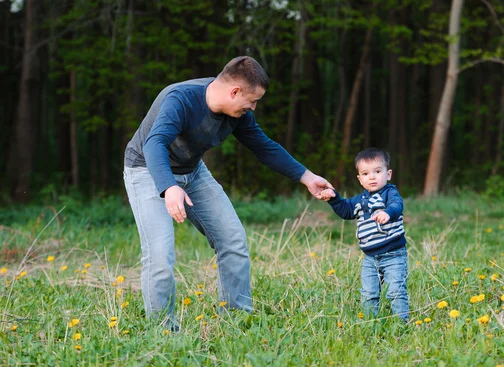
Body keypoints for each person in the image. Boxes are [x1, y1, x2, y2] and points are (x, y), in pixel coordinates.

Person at [123, 56, 332, 330]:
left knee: (233, 241)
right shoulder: (180, 99)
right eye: (252, 101)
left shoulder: (238, 116)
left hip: (192, 171)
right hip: (148, 171)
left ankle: (237, 321)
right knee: (160, 257)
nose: (253, 107)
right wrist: (169, 187)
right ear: (234, 92)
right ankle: (163, 333)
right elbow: (155, 143)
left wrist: (307, 177)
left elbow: (263, 146)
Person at [320, 148, 409, 321]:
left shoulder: (390, 193)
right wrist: (333, 198)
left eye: (377, 171)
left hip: (394, 255)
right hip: (370, 258)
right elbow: (346, 211)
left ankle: (402, 323)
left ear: (388, 174)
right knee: (368, 293)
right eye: (366, 173)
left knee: (395, 291)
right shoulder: (360, 200)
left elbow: (397, 205)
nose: (372, 177)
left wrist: (388, 213)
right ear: (360, 179)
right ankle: (370, 324)